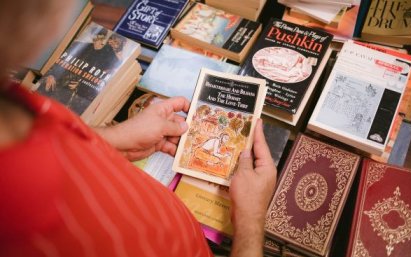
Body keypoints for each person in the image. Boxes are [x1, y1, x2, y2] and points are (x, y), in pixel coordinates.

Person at [0, 1, 277, 257]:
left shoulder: (15, 101)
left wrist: (110, 139)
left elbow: (55, 141)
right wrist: (251, 221)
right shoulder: (32, 230)